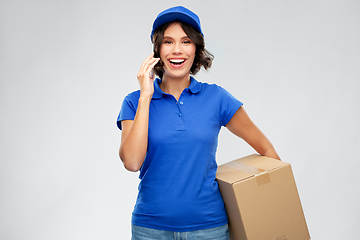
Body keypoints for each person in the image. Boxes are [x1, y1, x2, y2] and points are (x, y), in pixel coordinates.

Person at [116, 6, 280, 240]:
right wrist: (145, 95)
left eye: (185, 41)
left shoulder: (217, 99)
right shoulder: (134, 102)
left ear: (196, 48)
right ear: (157, 50)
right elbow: (132, 162)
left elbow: (266, 150)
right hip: (150, 230)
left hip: (208, 229)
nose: (177, 50)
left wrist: (274, 203)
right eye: (168, 42)